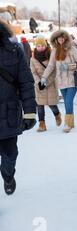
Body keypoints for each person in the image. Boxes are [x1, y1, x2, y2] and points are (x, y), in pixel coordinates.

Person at [0, 19, 36, 195]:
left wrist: (30, 112)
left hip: (9, 112)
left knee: (10, 153)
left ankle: (7, 175)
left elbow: (26, 82)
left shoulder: (13, 51)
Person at [40, 30, 77, 133]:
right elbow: (51, 66)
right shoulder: (55, 51)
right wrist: (44, 77)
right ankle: (71, 122)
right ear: (56, 39)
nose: (61, 39)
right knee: (67, 103)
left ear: (66, 38)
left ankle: (67, 124)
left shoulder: (72, 49)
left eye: (62, 37)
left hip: (72, 80)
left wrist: (68, 67)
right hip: (61, 81)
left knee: (68, 101)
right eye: (59, 38)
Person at [30, 38, 62, 132]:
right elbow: (33, 72)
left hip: (50, 84)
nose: (40, 48)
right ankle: (42, 124)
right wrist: (38, 82)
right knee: (40, 106)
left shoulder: (51, 56)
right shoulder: (33, 59)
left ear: (46, 46)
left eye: (42, 46)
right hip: (39, 85)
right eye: (38, 46)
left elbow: (54, 71)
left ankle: (57, 115)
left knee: (51, 104)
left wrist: (46, 83)